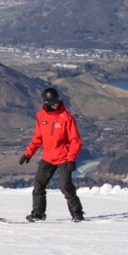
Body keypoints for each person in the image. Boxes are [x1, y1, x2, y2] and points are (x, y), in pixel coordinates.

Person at [19, 87, 85, 222]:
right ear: (46, 102)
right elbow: (38, 137)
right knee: (38, 185)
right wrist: (28, 153)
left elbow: (76, 141)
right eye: (52, 101)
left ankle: (77, 214)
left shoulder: (66, 118)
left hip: (64, 158)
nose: (56, 103)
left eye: (57, 100)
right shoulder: (41, 116)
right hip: (48, 157)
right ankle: (38, 213)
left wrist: (71, 159)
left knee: (65, 186)